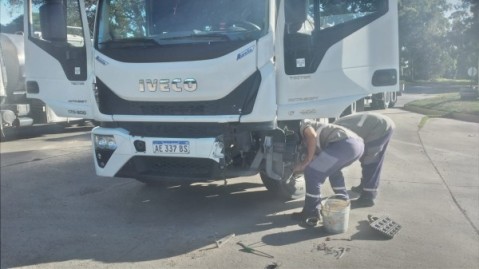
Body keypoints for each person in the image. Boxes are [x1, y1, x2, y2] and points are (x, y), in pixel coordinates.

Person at [292, 119, 364, 224]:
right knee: (333, 171)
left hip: (344, 144)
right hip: (357, 145)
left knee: (312, 173)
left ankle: (311, 212)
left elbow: (312, 135)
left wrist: (306, 162)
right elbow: (316, 152)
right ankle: (343, 200)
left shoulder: (302, 124)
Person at [333, 112, 395, 208]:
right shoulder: (331, 130)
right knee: (365, 159)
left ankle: (368, 197)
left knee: (371, 161)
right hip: (374, 124)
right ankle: (364, 186)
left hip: (379, 127)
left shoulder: (335, 134)